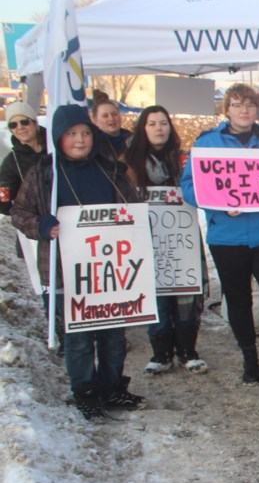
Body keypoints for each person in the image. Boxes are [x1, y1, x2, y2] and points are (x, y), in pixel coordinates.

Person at [11, 104, 145, 419]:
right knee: (80, 338)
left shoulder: (108, 167)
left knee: (113, 335)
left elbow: (133, 205)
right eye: (72, 134)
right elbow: (19, 212)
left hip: (111, 270)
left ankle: (112, 387)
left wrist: (129, 222)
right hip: (66, 271)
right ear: (59, 138)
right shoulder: (44, 172)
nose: (80, 140)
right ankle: (84, 390)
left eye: (85, 133)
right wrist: (42, 225)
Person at [181, 83, 259, 387]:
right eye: (237, 105)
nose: (244, 111)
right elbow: (189, 186)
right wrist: (217, 203)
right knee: (238, 301)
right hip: (227, 238)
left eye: (250, 105)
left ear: (257, 110)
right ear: (227, 109)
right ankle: (250, 360)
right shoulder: (208, 143)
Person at [124, 105, 208, 376]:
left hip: (182, 239)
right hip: (149, 240)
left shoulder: (183, 160)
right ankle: (161, 353)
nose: (159, 128)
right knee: (156, 298)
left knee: (186, 298)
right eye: (152, 124)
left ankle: (187, 351)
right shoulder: (129, 164)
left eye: (163, 123)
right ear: (142, 129)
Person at [1, 102, 48, 222]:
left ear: (35, 123)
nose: (20, 127)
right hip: (34, 223)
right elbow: (3, 200)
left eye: (24, 122)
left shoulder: (55, 146)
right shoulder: (12, 161)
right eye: (13, 125)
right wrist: (22, 216)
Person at [90, 93, 132, 160]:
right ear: (95, 120)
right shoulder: (92, 144)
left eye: (114, 114)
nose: (111, 119)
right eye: (105, 116)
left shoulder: (133, 140)